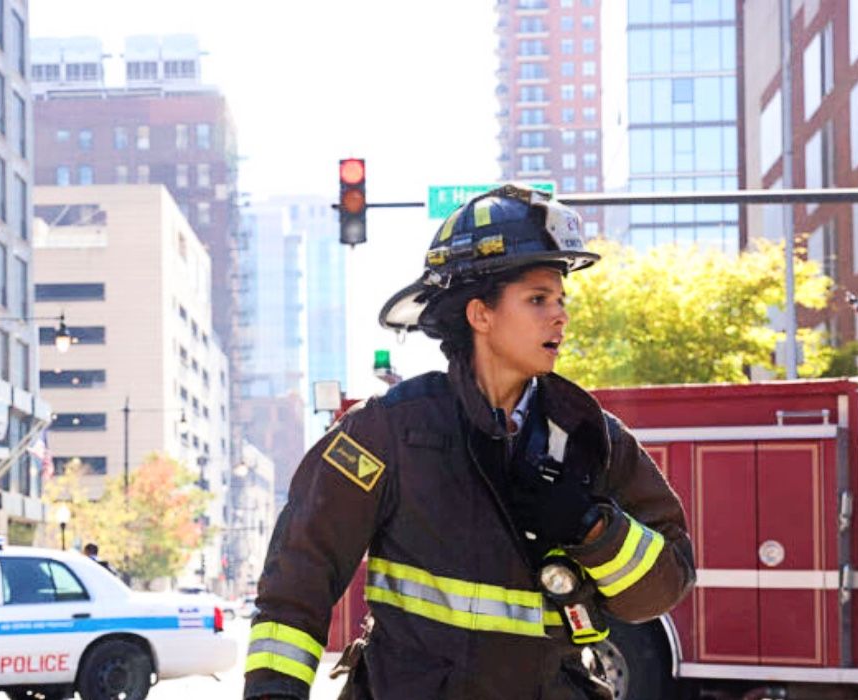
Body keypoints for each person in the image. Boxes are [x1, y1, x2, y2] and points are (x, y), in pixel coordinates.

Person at [242, 185, 695, 699]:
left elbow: (665, 586)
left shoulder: (592, 439)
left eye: (561, 299)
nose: (560, 315)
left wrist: (594, 530)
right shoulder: (389, 432)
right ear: (481, 315)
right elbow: (297, 581)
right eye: (538, 299)